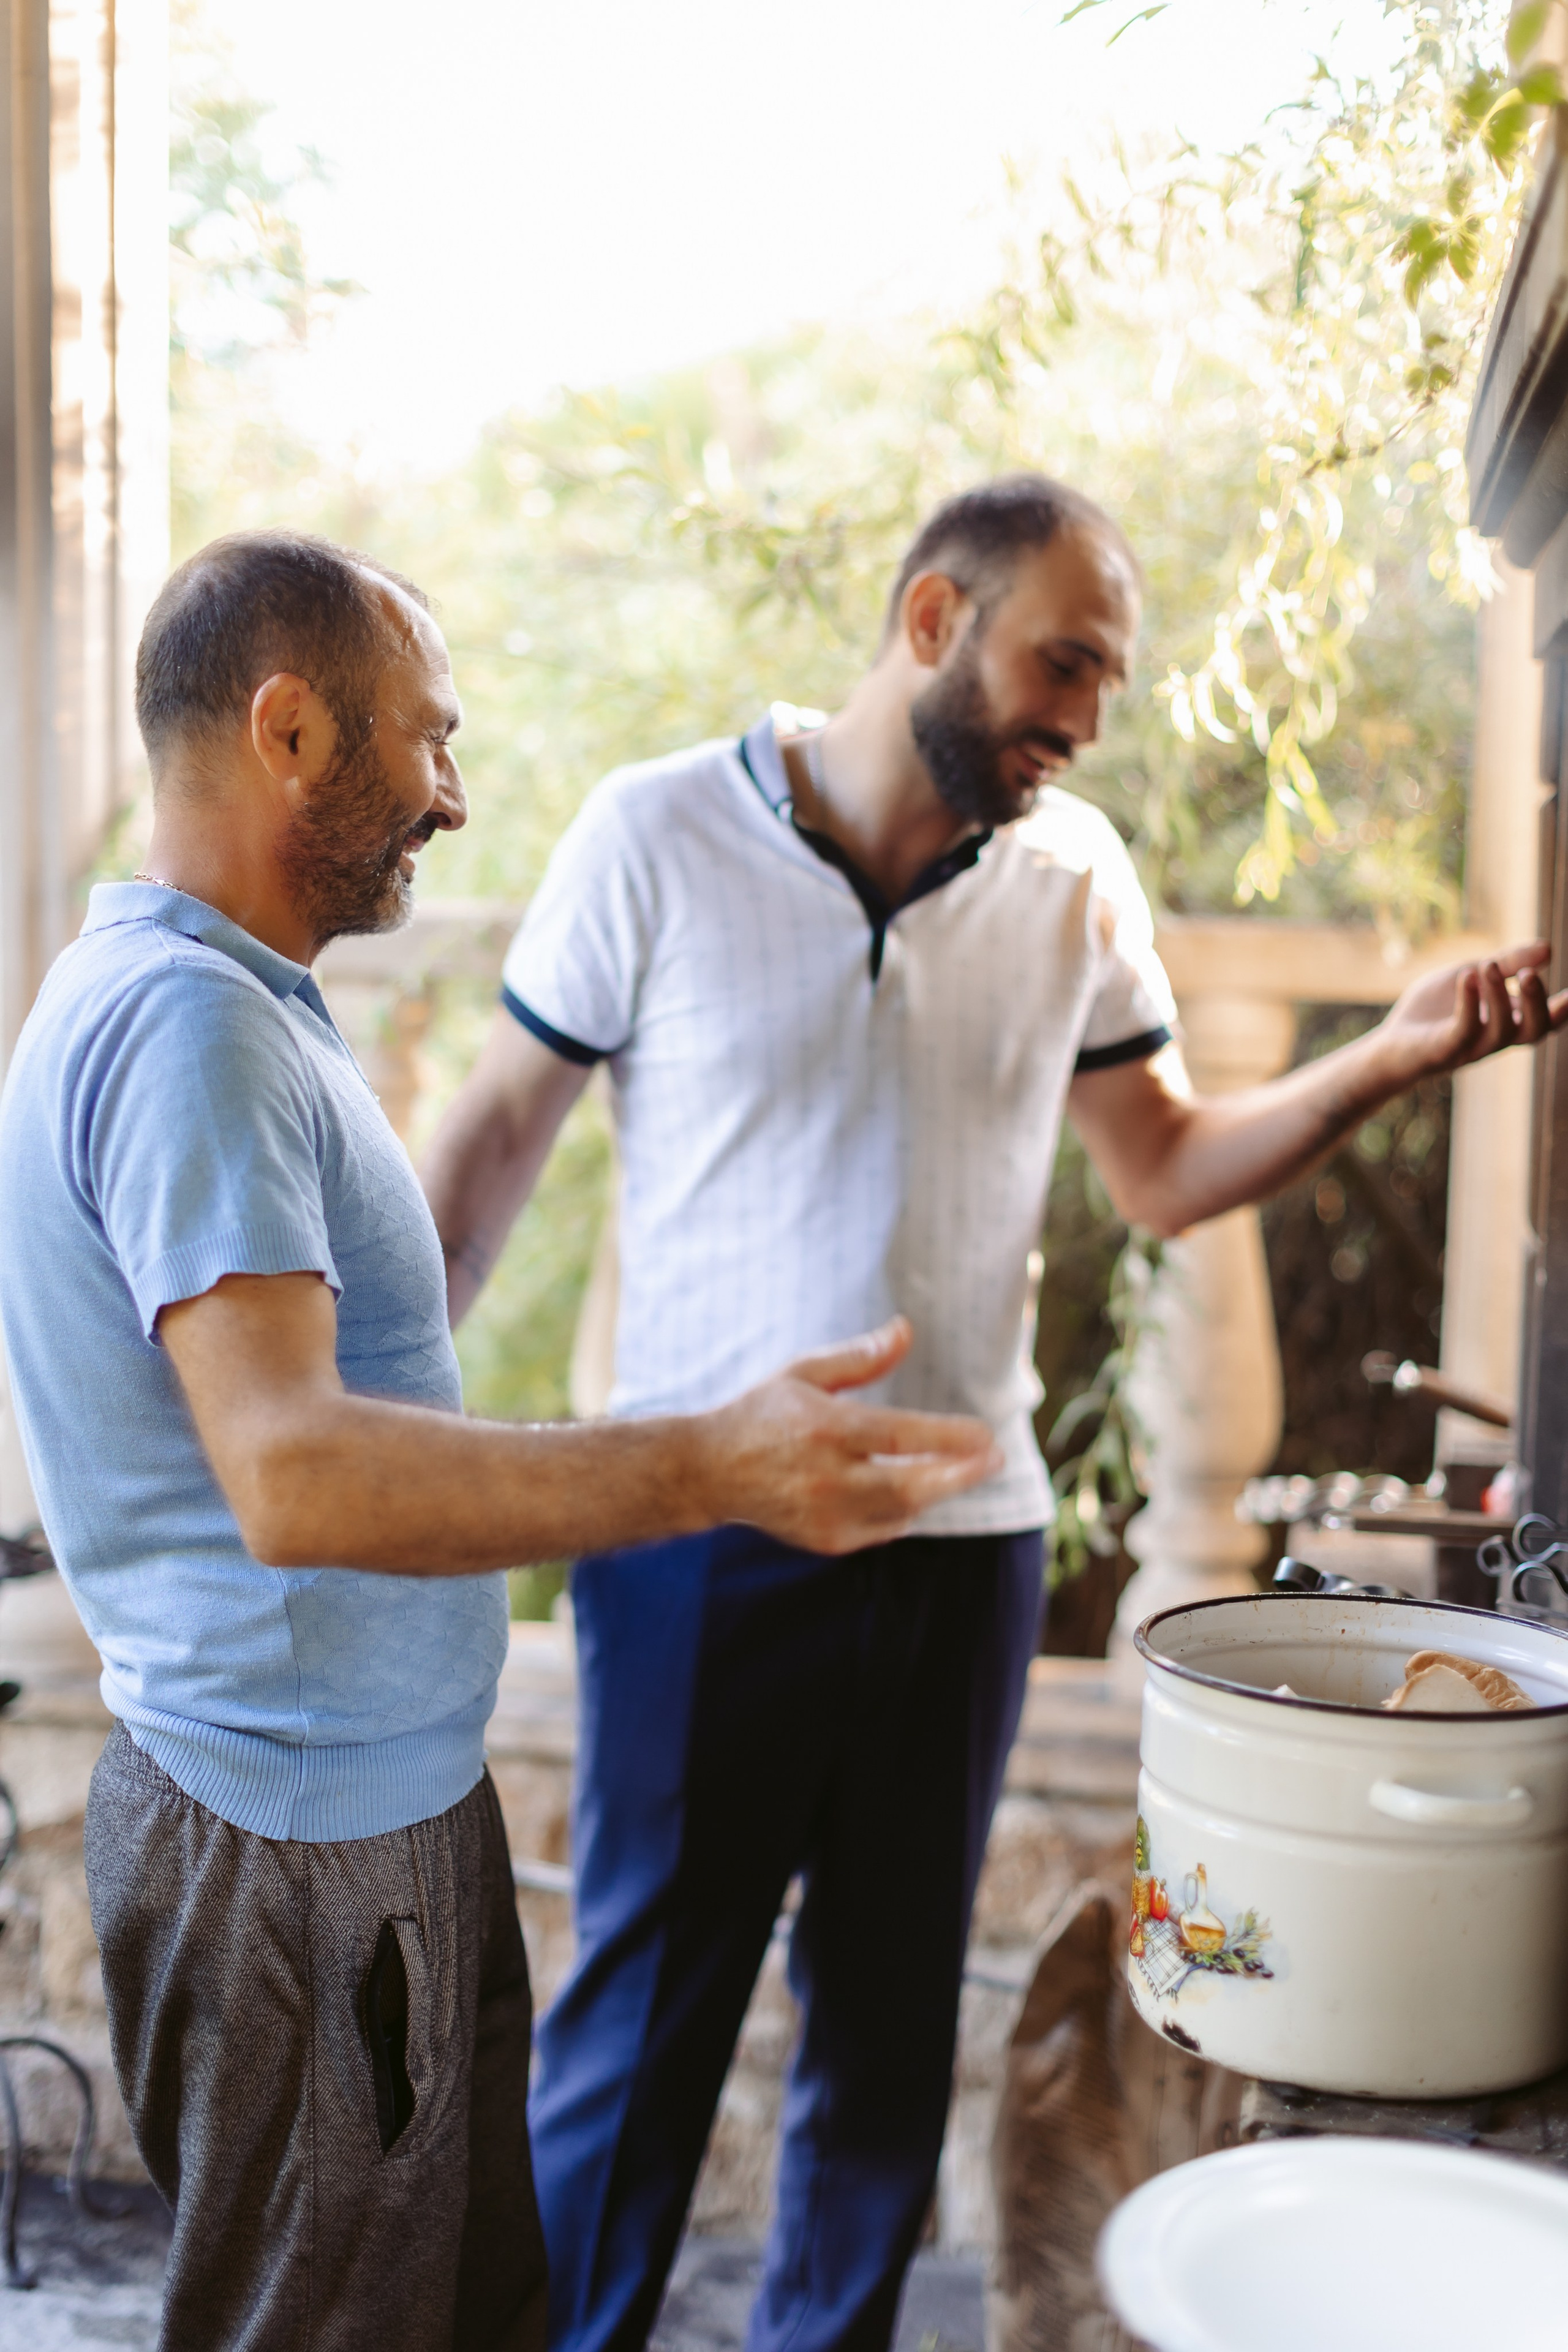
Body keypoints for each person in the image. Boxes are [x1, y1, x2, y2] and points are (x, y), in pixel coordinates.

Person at [423, 472, 1568, 2352]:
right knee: (633, 2050)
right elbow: (476, 1166)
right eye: (1067, 663)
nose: (1088, 718)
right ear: (935, 622)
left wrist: (1398, 1052)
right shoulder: (652, 835)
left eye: (1110, 680)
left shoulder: (1074, 877)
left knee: (880, 2055)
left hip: (963, 1553)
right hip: (702, 1540)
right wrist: (382, 1464)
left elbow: (1168, 1169)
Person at [0, 532, 999, 2352]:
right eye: (427, 739)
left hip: (373, 1814)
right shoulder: (184, 1035)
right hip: (300, 1850)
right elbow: (296, 1474)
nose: (453, 798)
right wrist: (704, 1465)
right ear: (288, 729)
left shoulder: (229, 1011)